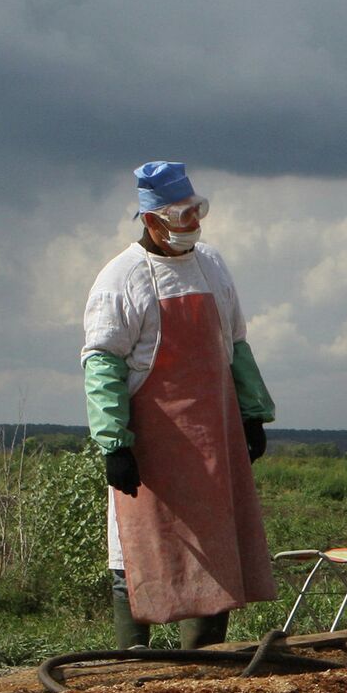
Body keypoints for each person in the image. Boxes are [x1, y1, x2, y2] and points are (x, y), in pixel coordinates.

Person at [82, 160, 278, 650]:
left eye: (197, 213)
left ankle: (204, 662)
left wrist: (251, 414)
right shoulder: (121, 278)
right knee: (137, 548)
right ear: (151, 221)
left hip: (212, 440)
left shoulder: (211, 265)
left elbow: (235, 344)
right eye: (181, 216)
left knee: (215, 546)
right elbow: (102, 364)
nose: (193, 226)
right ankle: (133, 664)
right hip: (150, 445)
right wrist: (114, 445)